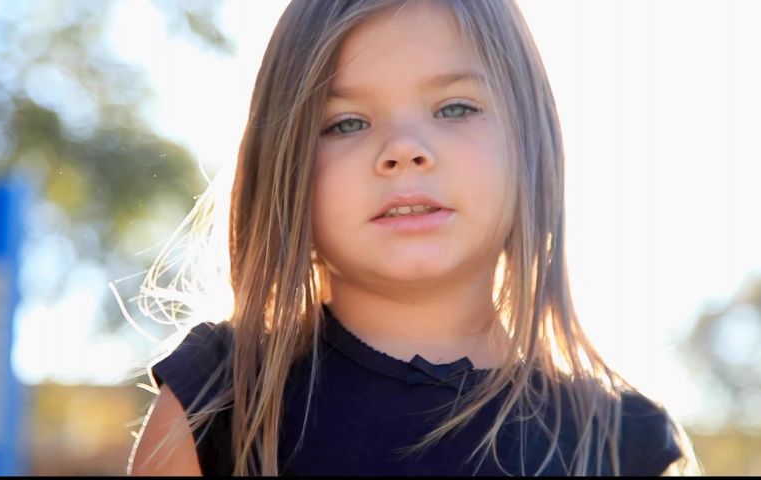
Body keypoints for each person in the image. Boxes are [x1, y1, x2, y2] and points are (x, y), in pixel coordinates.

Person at [128, 0, 701, 476]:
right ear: (283, 169)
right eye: (346, 122)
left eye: (455, 108)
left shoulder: (620, 443)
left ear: (534, 148)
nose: (404, 148)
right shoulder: (221, 401)